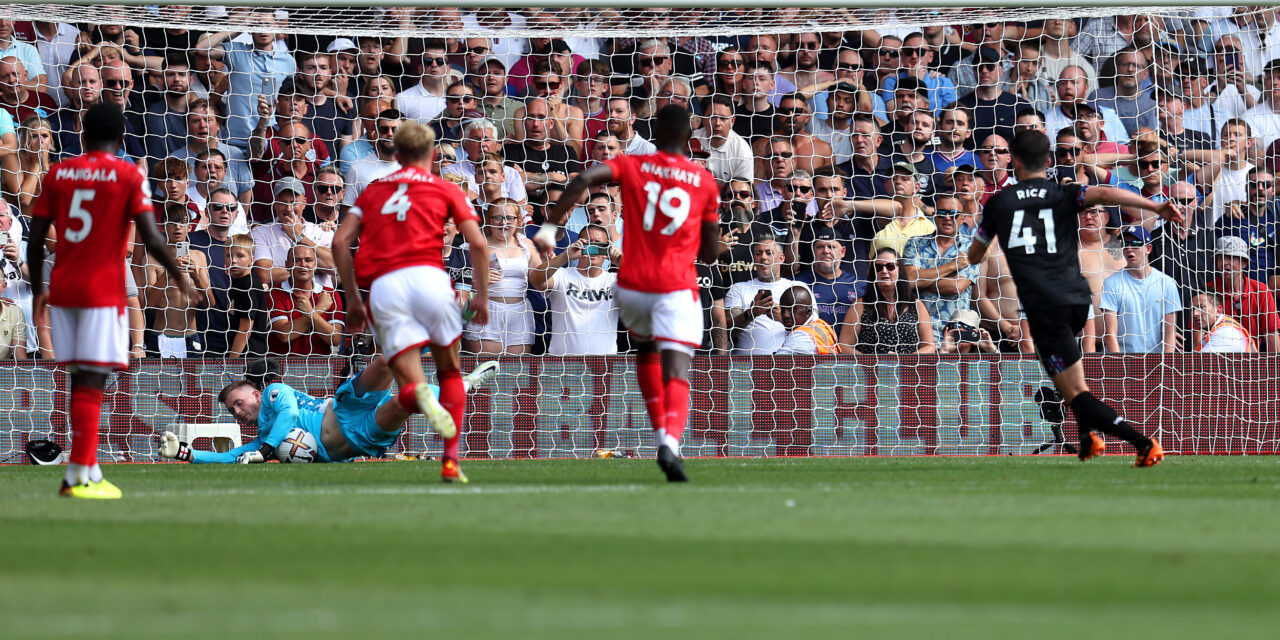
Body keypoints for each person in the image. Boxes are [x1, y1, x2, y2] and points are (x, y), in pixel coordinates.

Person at [967, 129, 1184, 468]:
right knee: (1072, 378)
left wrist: (976, 250)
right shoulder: (1064, 192)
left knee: (1075, 393)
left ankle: (1143, 443)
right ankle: (1087, 439)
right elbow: (1107, 191)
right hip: (1078, 300)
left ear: (1015, 161)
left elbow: (975, 254)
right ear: (1049, 162)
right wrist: (1155, 205)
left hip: (1043, 306)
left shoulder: (999, 203)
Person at [535, 104, 720, 482]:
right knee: (678, 368)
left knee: (647, 353)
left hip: (633, 282)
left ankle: (662, 435)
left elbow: (582, 179)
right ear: (690, 135)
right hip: (676, 284)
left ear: (654, 131)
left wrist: (550, 230)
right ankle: (669, 440)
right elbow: (710, 252)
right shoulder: (703, 182)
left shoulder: (633, 166)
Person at [27, 102, 195, 498]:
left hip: (64, 287)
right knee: (94, 380)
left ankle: (84, 471)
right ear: (121, 139)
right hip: (102, 289)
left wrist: (38, 291)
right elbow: (152, 238)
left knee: (82, 380)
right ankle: (79, 477)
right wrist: (178, 275)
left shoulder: (58, 172)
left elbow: (35, 240)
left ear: (82, 135)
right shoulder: (127, 174)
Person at [333, 120, 491, 484]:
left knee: (404, 371)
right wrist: (480, 295)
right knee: (450, 371)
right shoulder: (444, 188)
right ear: (434, 155)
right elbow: (479, 245)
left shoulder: (372, 190)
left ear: (397, 154)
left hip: (387, 287)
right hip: (432, 280)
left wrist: (354, 300)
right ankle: (450, 460)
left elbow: (341, 242)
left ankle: (415, 390)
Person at [160, 356, 501, 464]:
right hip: (361, 440)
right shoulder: (266, 438)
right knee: (405, 401)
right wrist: (186, 454)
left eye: (238, 403)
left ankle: (457, 374)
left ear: (255, 392)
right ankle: (457, 387)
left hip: (342, 410)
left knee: (386, 361)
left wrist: (266, 450)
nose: (237, 412)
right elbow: (230, 457)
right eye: (232, 411)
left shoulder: (276, 393)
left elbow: (292, 415)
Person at [529, 224, 621, 356]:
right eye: (587, 243)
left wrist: (623, 264)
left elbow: (647, 292)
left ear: (607, 251)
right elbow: (536, 281)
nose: (592, 247)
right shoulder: (562, 275)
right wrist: (564, 256)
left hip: (604, 364)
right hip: (562, 364)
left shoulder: (616, 280)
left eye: (599, 245)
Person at [1100, 226, 1182, 353]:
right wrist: (1118, 367)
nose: (1129, 248)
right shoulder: (1111, 283)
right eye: (1125, 244)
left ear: (1148, 249)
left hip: (1156, 361)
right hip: (1122, 360)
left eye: (1135, 243)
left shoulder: (1167, 283)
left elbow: (1170, 334)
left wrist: (1167, 367)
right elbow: (1110, 334)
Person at [841, 247, 936, 354]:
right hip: (870, 369)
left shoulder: (916, 305)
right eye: (879, 267)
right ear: (873, 272)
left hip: (908, 369)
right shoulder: (860, 305)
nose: (884, 271)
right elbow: (844, 346)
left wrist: (904, 362)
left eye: (890, 266)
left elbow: (929, 346)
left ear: (899, 270)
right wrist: (872, 363)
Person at [1206, 235, 1280, 353]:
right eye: (1220, 258)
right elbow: (1198, 338)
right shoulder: (1207, 291)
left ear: (1244, 263)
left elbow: (1271, 335)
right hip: (1215, 363)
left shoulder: (1261, 291)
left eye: (1230, 257)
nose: (1225, 263)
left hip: (1251, 363)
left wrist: (1274, 369)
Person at [775, 283, 839, 355]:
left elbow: (774, 364)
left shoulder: (801, 337)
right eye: (782, 309)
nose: (785, 315)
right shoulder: (821, 325)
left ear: (808, 311)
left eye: (792, 309)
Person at [1191, 290, 1257, 353]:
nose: (1195, 313)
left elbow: (1199, 363)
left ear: (1218, 310)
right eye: (1192, 309)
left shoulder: (1225, 332)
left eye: (1201, 307)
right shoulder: (1218, 328)